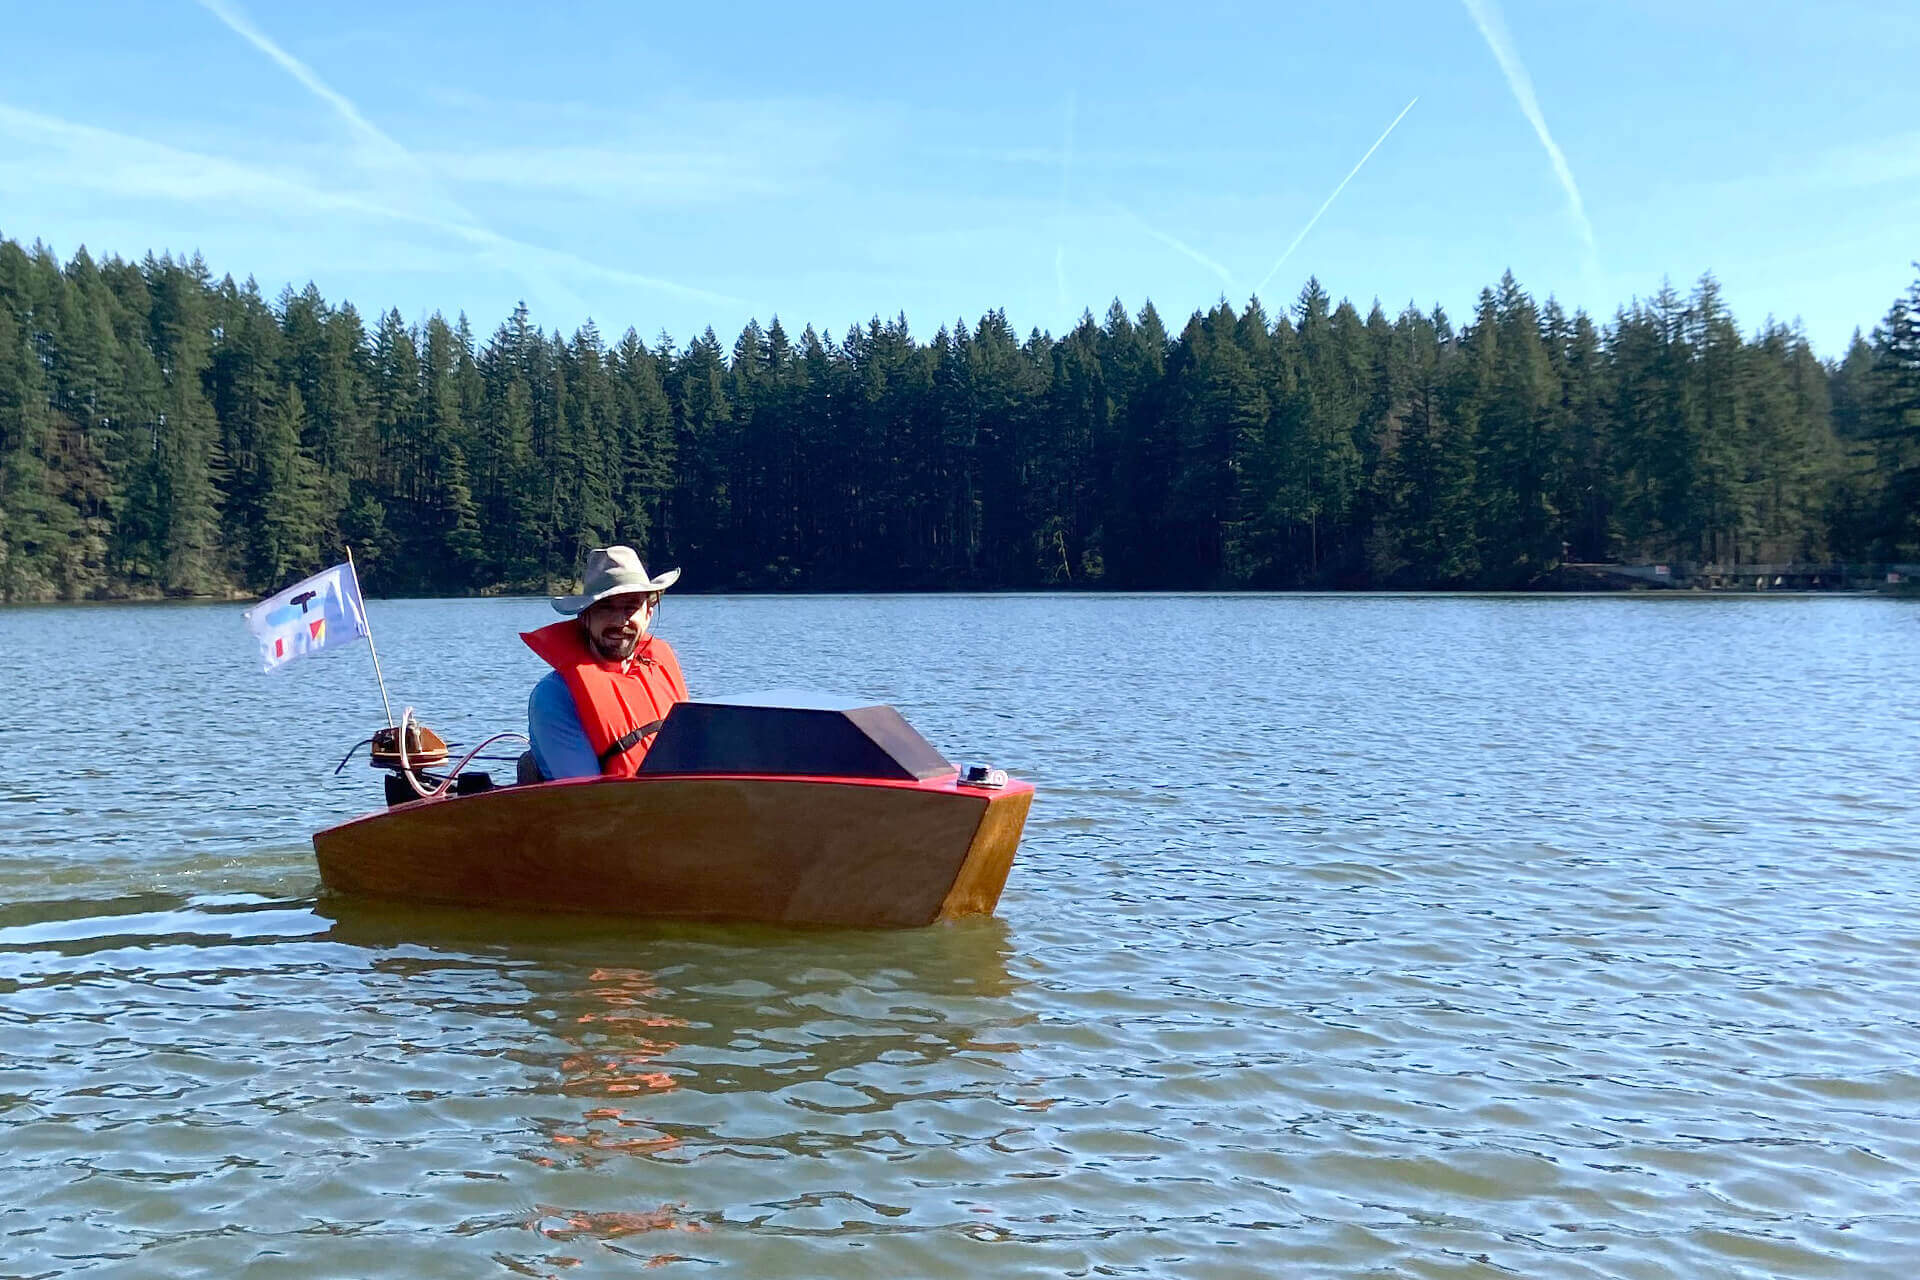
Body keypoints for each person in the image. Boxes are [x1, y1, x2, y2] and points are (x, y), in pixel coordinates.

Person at [522, 546, 690, 780]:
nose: (619, 621)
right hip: (608, 802)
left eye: (630, 607)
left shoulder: (661, 667)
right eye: (605, 608)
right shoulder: (553, 695)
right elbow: (587, 795)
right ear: (585, 617)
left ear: (647, 614)